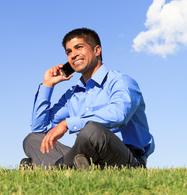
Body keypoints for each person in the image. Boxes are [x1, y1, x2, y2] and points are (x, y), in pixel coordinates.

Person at [21, 28, 154, 169]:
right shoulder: (72, 95)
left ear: (97, 51)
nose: (73, 55)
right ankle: (72, 167)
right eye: (69, 52)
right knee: (32, 139)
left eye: (79, 48)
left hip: (125, 155)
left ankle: (53, 167)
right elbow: (39, 129)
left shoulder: (121, 81)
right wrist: (48, 84)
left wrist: (67, 123)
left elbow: (118, 114)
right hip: (86, 155)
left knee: (91, 131)